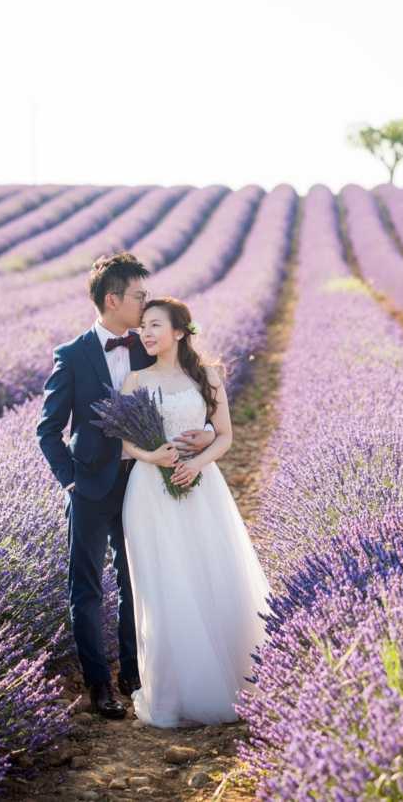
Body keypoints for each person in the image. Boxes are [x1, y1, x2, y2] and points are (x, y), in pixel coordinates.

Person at [36, 253, 216, 719]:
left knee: (138, 579)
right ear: (112, 299)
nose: (144, 303)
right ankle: (99, 685)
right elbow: (48, 430)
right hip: (91, 487)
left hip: (143, 482)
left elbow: (190, 391)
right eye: (137, 296)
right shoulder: (72, 356)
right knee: (87, 587)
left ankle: (134, 673)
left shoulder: (145, 345)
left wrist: (211, 433)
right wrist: (71, 482)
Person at [119, 297, 272, 728]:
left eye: (154, 326)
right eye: (143, 327)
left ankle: (225, 684)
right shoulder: (135, 380)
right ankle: (174, 692)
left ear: (180, 332)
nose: (146, 334)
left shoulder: (207, 376)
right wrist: (153, 456)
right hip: (149, 491)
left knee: (210, 571)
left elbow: (224, 436)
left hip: (202, 486)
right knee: (163, 584)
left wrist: (197, 461)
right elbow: (124, 443)